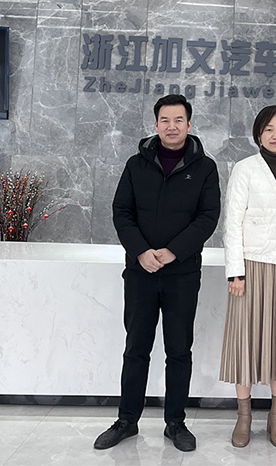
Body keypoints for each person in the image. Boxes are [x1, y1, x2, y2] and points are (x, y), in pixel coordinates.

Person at [94, 94, 220, 452]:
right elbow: (122, 212)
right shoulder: (137, 164)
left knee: (179, 350)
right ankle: (126, 420)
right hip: (140, 272)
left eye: (179, 120)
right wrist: (141, 251)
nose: (172, 126)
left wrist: (172, 251)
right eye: (165, 120)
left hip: (182, 273)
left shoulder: (205, 168)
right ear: (156, 124)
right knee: (136, 348)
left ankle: (175, 423)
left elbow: (208, 217)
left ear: (189, 125)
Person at [219, 105, 276, 448]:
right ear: (258, 134)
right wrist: (235, 273)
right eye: (269, 129)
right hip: (251, 266)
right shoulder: (244, 169)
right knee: (245, 341)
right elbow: (232, 222)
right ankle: (244, 416)